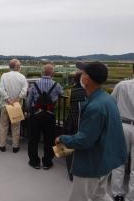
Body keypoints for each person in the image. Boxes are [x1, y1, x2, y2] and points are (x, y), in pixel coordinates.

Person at [55, 61, 127, 201]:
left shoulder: (95, 106)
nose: (81, 76)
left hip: (90, 164)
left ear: (87, 79)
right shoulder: (107, 99)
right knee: (99, 195)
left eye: (83, 73)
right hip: (103, 160)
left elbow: (84, 140)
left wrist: (63, 138)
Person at [27, 64, 63, 170]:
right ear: (52, 73)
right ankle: (47, 162)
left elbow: (29, 101)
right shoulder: (56, 85)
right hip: (50, 114)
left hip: (36, 114)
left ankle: (34, 162)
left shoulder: (35, 85)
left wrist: (30, 110)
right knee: (49, 138)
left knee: (33, 138)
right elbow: (62, 93)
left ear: (42, 72)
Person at [111, 77, 134, 201]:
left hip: (122, 125)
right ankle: (131, 197)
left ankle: (117, 193)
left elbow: (111, 102)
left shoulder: (122, 84)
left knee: (119, 161)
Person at [0, 59, 28, 153]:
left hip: (5, 104)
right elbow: (24, 90)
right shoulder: (22, 77)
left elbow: (1, 90)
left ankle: (2, 145)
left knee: (3, 125)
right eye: (19, 65)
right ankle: (15, 146)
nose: (20, 67)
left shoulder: (4, 75)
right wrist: (17, 100)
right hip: (17, 105)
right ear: (16, 67)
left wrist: (8, 100)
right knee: (16, 126)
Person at [64, 71, 86, 180]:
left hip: (72, 123)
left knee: (70, 148)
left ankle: (71, 172)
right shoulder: (87, 92)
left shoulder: (71, 91)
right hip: (83, 125)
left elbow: (70, 107)